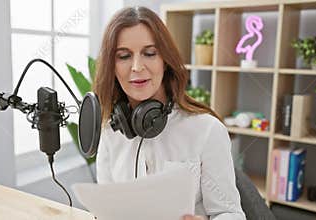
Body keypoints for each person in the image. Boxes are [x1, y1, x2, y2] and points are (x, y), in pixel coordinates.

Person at [93, 6, 246, 220]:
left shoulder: (207, 130)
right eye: (124, 56)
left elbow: (231, 213)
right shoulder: (109, 131)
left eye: (149, 53)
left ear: (165, 61)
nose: (137, 67)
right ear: (112, 67)